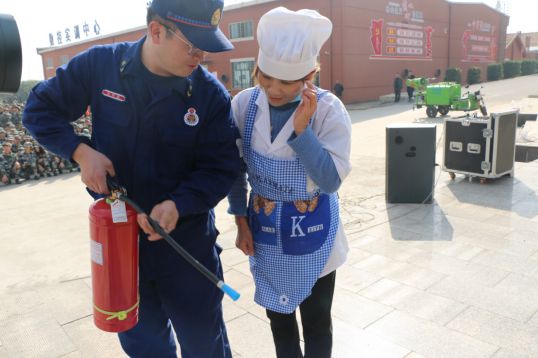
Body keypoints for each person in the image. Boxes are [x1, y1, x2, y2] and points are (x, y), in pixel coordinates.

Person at [23, 0, 240, 357]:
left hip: (184, 244)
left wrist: (178, 204)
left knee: (205, 344)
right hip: (119, 244)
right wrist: (80, 151)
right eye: (193, 45)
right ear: (157, 30)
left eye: (207, 47)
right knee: (144, 345)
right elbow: (38, 110)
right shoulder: (100, 66)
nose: (200, 56)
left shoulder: (208, 95)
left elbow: (221, 167)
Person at [227, 7, 352, 358]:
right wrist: (239, 220)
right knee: (279, 323)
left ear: (310, 75)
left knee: (316, 324)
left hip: (315, 234)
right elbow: (234, 169)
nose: (274, 90)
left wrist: (302, 132)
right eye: (265, 78)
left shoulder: (329, 111)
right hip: (264, 233)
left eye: (287, 81)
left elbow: (328, 181)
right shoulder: (243, 106)